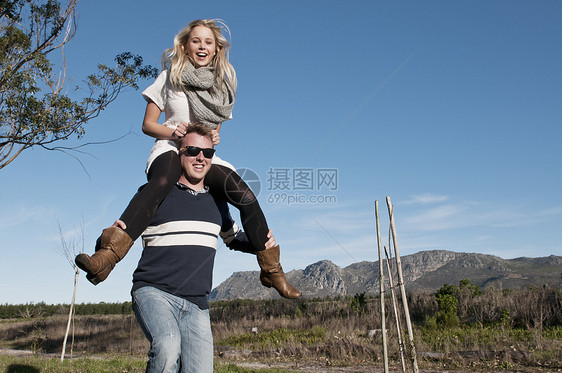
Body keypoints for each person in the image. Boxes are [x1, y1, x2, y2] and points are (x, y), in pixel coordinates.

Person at [75, 19, 300, 299]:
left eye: (208, 42)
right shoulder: (169, 78)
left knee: (245, 195)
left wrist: (213, 138)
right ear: (185, 45)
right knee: (163, 180)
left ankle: (271, 269)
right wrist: (173, 131)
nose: (202, 46)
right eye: (196, 41)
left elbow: (214, 131)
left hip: (201, 153)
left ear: (217, 50)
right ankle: (108, 256)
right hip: (171, 146)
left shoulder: (221, 88)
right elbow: (148, 124)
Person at [132, 125, 271, 372]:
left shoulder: (217, 202)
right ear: (179, 154)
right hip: (155, 292)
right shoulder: (155, 193)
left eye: (208, 153)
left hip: (196, 302)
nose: (201, 158)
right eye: (193, 150)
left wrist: (260, 244)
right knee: (167, 345)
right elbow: (123, 229)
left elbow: (233, 239)